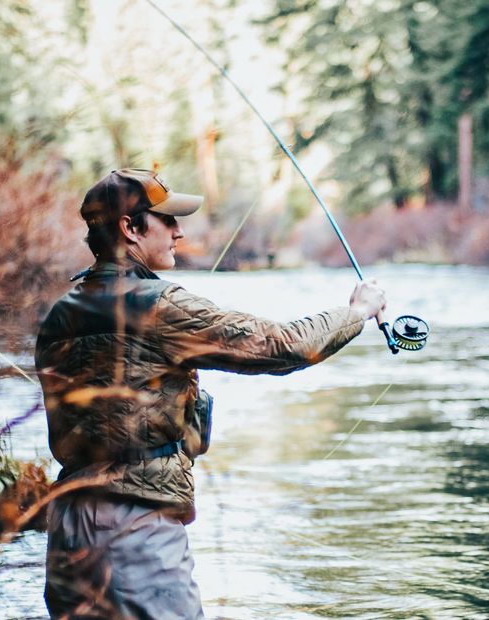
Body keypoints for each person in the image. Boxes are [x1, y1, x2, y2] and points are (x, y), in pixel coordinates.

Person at [35, 168, 386, 619]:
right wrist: (355, 311)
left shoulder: (60, 314)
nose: (179, 231)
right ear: (129, 228)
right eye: (167, 220)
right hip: (133, 531)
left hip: (67, 528)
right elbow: (284, 347)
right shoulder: (159, 306)